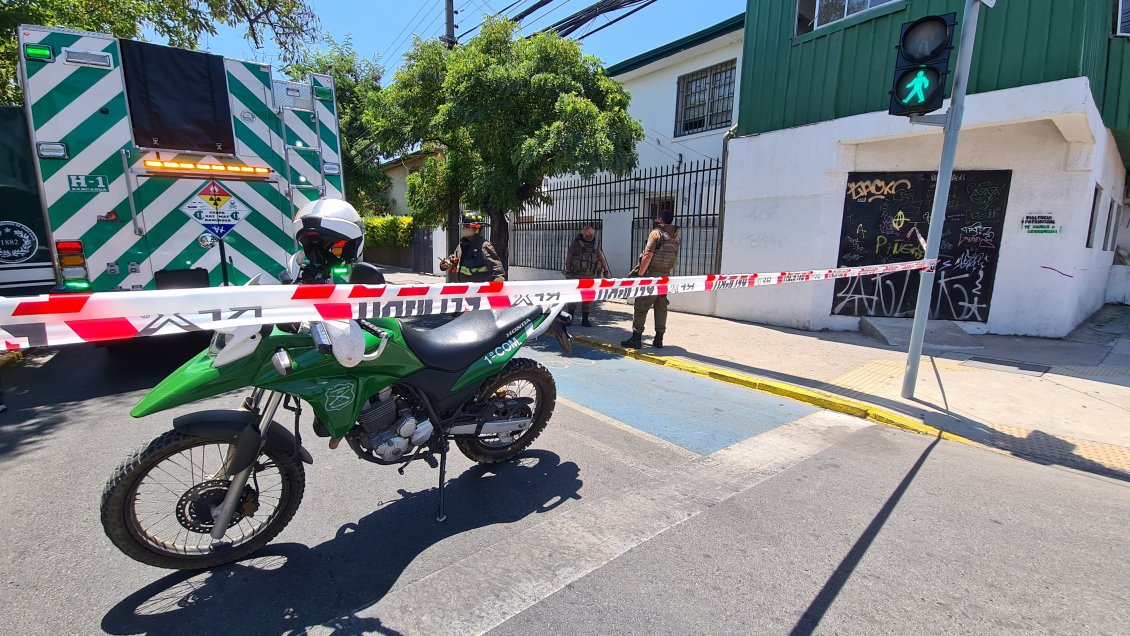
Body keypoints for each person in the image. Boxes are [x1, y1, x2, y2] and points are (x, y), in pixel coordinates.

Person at [621, 208, 680, 349]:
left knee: (641, 306)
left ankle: (636, 339)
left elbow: (648, 255)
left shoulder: (656, 233)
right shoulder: (676, 236)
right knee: (661, 306)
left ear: (660, 219)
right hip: (665, 277)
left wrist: (640, 275)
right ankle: (659, 339)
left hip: (651, 275)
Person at [564, 225, 610, 327]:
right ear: (583, 234)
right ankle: (569, 318)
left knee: (587, 299)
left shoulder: (595, 246)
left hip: (590, 277)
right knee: (572, 299)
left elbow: (601, 259)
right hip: (576, 276)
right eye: (587, 234)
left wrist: (606, 271)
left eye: (591, 234)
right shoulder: (576, 244)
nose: (589, 236)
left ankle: (585, 319)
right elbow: (569, 258)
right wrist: (568, 271)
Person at [440, 212, 505, 283]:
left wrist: (491, 290)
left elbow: (498, 273)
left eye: (466, 226)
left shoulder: (484, 246)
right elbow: (454, 260)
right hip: (465, 291)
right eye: (463, 226)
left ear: (476, 229)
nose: (463, 229)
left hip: (479, 292)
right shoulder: (461, 245)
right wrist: (446, 264)